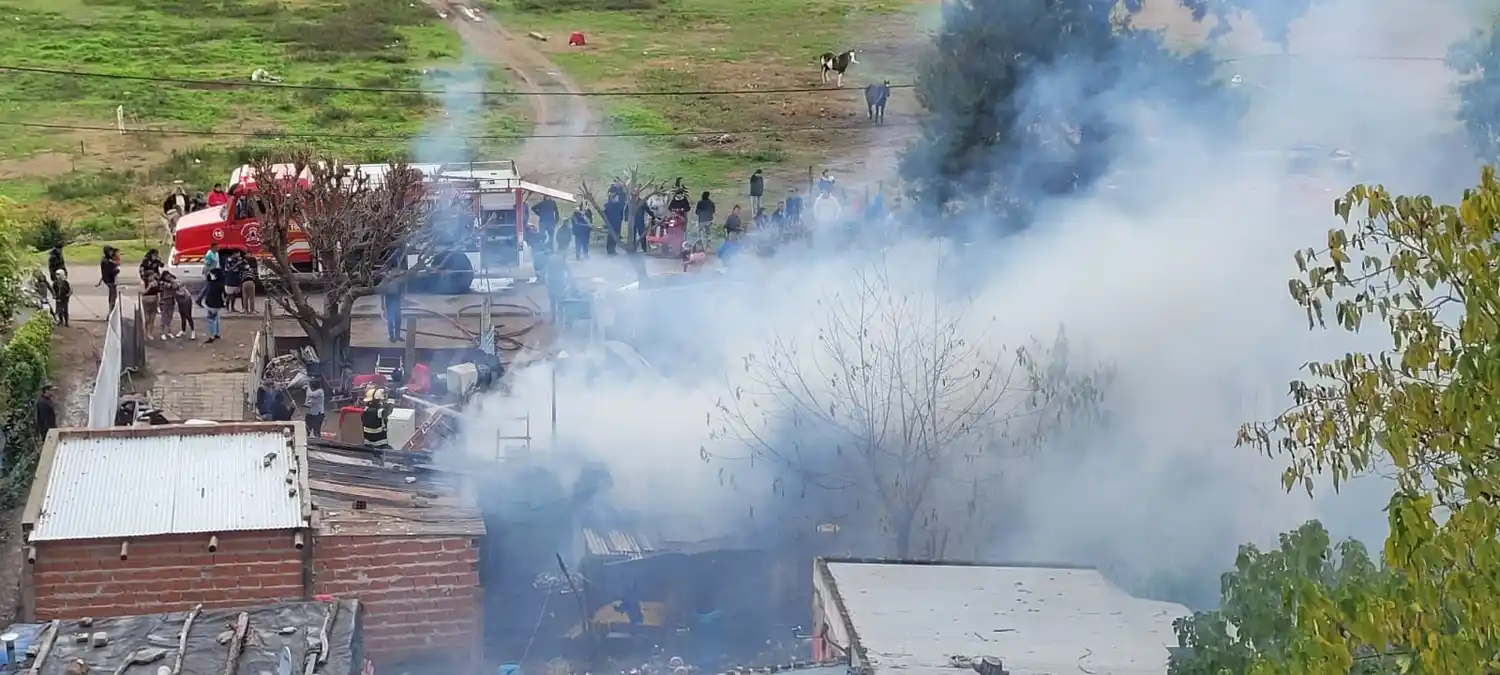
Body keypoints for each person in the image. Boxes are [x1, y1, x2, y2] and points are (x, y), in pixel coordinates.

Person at [379, 271, 404, 343]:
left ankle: (398, 336)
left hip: (396, 299)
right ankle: (391, 336)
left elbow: (400, 289)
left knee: (398, 319)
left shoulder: (397, 279)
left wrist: (401, 299)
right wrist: (382, 304)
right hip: (389, 299)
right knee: (390, 319)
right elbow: (382, 292)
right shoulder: (385, 280)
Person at [203, 266, 225, 344]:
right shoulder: (221, 283)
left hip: (211, 304)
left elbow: (208, 278)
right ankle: (217, 334)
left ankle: (211, 336)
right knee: (217, 319)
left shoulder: (212, 283)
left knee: (210, 320)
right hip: (218, 304)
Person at [97, 246, 120, 313]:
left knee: (112, 295)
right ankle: (111, 312)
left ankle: (111, 311)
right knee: (113, 296)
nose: (111, 252)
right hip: (110, 280)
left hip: (109, 279)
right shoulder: (106, 261)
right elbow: (110, 271)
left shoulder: (107, 259)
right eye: (110, 251)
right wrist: (117, 270)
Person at [196, 242, 220, 307]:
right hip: (210, 272)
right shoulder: (209, 255)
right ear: (213, 248)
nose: (219, 248)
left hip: (214, 271)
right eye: (217, 247)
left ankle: (202, 299)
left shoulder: (216, 253)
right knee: (208, 286)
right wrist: (209, 274)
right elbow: (207, 265)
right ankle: (199, 299)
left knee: (210, 287)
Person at [156, 272, 178, 340]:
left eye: (169, 276)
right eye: (167, 276)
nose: (168, 277)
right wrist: (172, 281)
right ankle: (162, 332)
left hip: (171, 301)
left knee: (170, 317)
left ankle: (169, 331)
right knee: (164, 318)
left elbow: (176, 286)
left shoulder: (172, 282)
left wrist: (173, 280)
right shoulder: (162, 283)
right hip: (164, 302)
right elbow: (170, 286)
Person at [139, 271, 161, 339]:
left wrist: (158, 303)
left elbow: (158, 292)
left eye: (153, 276)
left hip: (154, 301)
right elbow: (142, 292)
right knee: (147, 319)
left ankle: (150, 333)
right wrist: (149, 287)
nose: (152, 278)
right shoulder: (143, 283)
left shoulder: (155, 282)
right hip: (146, 301)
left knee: (152, 319)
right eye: (150, 276)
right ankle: (145, 332)